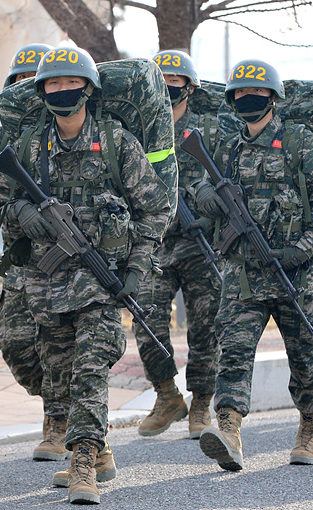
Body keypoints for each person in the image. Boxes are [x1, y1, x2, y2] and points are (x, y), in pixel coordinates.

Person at [0, 45, 174, 503]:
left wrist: (136, 269)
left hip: (101, 282)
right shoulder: (31, 145)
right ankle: (97, 442)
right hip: (45, 285)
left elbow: (155, 209)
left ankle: (83, 466)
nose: (62, 91)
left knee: (90, 369)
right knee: (62, 376)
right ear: (42, 91)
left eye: (71, 83)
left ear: (88, 89)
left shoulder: (115, 143)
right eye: (53, 84)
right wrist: (21, 211)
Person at [195, 59, 313, 470]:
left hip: (296, 271)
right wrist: (211, 197)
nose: (248, 100)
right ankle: (228, 426)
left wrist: (304, 246)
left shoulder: (300, 143)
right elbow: (199, 188)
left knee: (307, 353)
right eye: (240, 94)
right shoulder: (227, 148)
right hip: (244, 272)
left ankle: (311, 426)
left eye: (257, 93)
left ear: (273, 98)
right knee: (234, 350)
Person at [0, 43, 68, 461]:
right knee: (18, 347)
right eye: (19, 82)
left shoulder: (72, 129)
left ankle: (61, 422)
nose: (26, 88)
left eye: (34, 82)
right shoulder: (3, 136)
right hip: (22, 262)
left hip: (69, 263)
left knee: (61, 345)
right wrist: (9, 193)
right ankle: (67, 403)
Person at [136, 50, 222, 439]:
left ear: (189, 87)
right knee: (146, 321)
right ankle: (168, 395)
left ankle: (202, 404)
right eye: (161, 80)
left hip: (201, 242)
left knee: (206, 327)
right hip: (154, 243)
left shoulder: (210, 128)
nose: (168, 87)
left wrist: (211, 211)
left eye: (175, 81)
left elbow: (230, 177)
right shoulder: (137, 127)